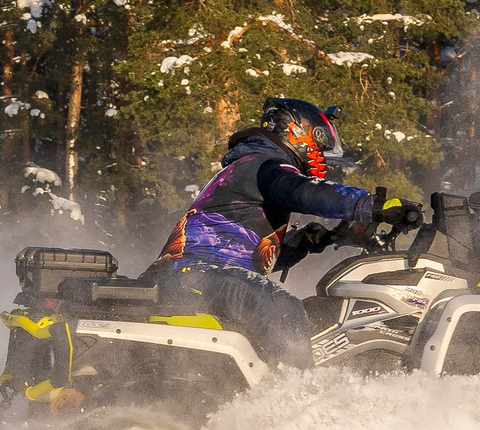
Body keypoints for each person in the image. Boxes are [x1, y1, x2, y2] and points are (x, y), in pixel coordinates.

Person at [148, 98, 373, 369]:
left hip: (199, 273)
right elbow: (304, 191)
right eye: (319, 145)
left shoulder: (251, 166)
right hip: (195, 273)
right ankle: (294, 399)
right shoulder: (264, 164)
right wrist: (367, 204)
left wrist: (307, 242)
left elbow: (238, 249)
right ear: (298, 132)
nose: (321, 157)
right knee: (282, 308)